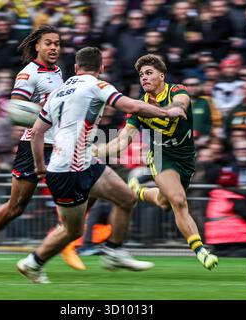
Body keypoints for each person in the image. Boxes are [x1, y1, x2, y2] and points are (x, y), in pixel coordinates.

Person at [17, 47, 186, 283]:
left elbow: (36, 133)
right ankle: (32, 263)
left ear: (75, 68)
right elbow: (133, 107)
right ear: (101, 69)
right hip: (71, 170)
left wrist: (39, 166)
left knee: (127, 198)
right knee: (72, 230)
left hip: (73, 163)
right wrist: (168, 113)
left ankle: (114, 250)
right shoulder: (96, 85)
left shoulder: (58, 92)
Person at [0, 25, 86, 273]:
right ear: (37, 45)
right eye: (48, 43)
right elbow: (14, 111)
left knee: (82, 190)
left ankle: (66, 240)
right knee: (17, 205)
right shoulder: (28, 74)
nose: (54, 47)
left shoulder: (58, 72)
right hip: (33, 145)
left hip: (60, 145)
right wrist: (46, 114)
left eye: (57, 43)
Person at [95, 54, 219, 270]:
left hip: (187, 157)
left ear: (162, 76)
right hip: (161, 156)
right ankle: (200, 250)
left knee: (164, 202)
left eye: (149, 73)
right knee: (179, 201)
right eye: (141, 74)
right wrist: (96, 150)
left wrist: (176, 109)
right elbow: (122, 141)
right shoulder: (139, 107)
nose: (144, 77)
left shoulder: (176, 90)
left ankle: (139, 192)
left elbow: (181, 102)